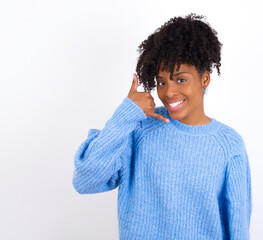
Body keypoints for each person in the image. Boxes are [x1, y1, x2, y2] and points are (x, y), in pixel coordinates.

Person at [72, 13, 252, 239]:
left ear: (204, 79)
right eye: (161, 82)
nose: (168, 92)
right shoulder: (139, 128)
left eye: (181, 79)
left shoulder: (228, 145)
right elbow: (85, 180)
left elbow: (238, 226)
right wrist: (125, 114)